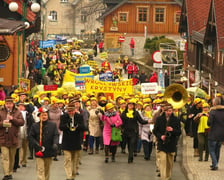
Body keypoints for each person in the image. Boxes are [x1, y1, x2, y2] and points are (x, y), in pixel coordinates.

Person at [29, 107, 59, 180]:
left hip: (49, 149)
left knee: (47, 169)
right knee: (40, 169)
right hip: (39, 150)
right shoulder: (35, 126)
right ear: (39, 116)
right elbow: (31, 137)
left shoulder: (53, 125)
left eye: (45, 115)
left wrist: (55, 143)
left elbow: (56, 135)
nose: (44, 117)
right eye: (42, 115)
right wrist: (36, 145)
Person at [153, 104, 181, 180]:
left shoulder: (176, 119)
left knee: (169, 163)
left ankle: (168, 177)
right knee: (163, 161)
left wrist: (172, 130)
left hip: (171, 143)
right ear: (164, 111)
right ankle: (163, 177)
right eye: (168, 111)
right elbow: (155, 131)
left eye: (171, 111)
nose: (169, 112)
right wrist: (160, 136)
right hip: (162, 143)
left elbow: (179, 132)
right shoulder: (159, 119)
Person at [0, 96, 24, 180]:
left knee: (11, 157)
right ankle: (6, 174)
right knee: (5, 156)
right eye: (7, 104)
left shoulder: (17, 112)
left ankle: (10, 172)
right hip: (3, 137)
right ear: (5, 104)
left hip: (13, 138)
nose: (8, 105)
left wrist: (13, 119)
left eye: (10, 103)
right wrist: (2, 123)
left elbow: (22, 122)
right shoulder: (1, 111)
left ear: (13, 104)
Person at [59, 104, 85, 180]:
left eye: (72, 111)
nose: (71, 112)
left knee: (75, 160)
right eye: (69, 111)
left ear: (75, 110)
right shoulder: (63, 117)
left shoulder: (79, 116)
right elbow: (61, 127)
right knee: (68, 159)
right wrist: (67, 124)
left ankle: (73, 174)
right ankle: (68, 176)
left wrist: (77, 125)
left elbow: (83, 127)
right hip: (67, 141)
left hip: (76, 140)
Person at [121, 99, 150, 163]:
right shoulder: (124, 113)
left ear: (134, 106)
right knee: (128, 144)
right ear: (127, 105)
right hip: (126, 131)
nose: (130, 106)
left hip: (134, 131)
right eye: (129, 104)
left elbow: (141, 121)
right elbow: (121, 122)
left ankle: (130, 157)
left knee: (132, 143)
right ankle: (130, 155)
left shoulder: (136, 113)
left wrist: (147, 121)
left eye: (132, 105)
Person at [207, 97, 224, 170]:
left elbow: (209, 123)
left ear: (214, 103)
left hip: (213, 134)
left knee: (211, 150)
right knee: (217, 150)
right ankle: (215, 163)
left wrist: (208, 117)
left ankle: (215, 164)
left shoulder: (212, 112)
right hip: (221, 134)